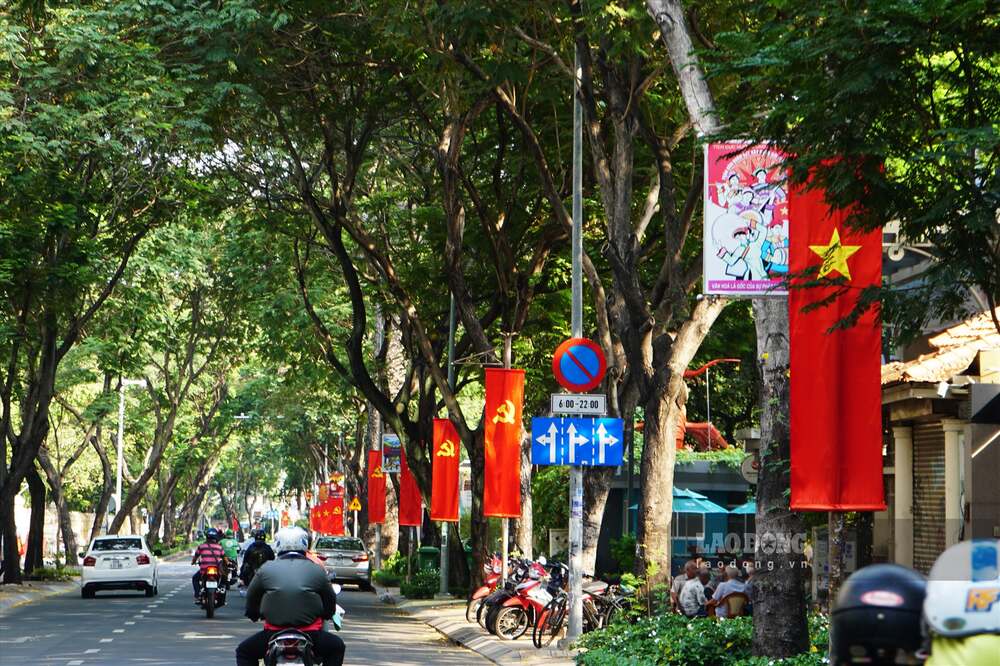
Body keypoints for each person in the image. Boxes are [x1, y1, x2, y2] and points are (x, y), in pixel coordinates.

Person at [236, 526, 345, 666]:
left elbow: (252, 596)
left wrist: (253, 614)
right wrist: (327, 614)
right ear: (305, 544)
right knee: (337, 647)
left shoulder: (266, 569)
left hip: (273, 633)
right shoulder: (317, 570)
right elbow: (330, 599)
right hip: (311, 634)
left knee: (244, 652)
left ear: (278, 544)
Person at [192, 528, 227, 599]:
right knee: (223, 577)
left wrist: (193, 562)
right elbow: (224, 558)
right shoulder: (219, 547)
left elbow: (195, 557)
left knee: (195, 578)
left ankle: (197, 594)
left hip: (204, 570)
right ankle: (221, 589)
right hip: (217, 570)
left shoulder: (201, 546)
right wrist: (227, 563)